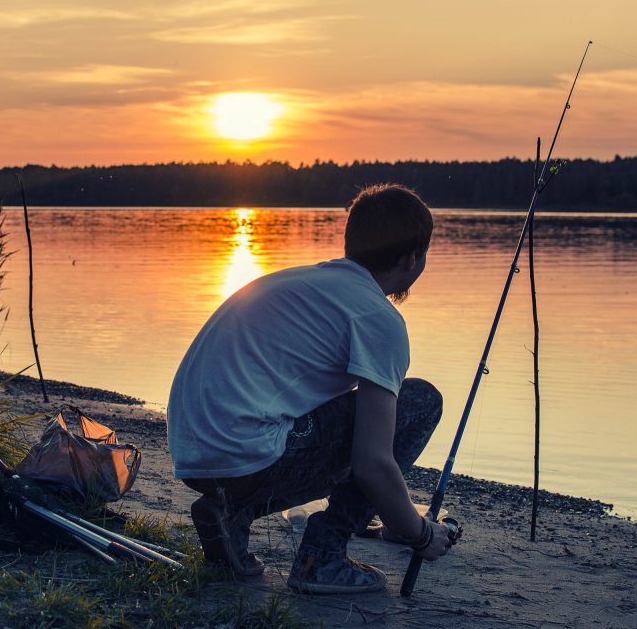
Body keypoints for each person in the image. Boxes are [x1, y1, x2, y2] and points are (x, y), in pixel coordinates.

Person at [166, 184, 453, 594]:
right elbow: (372, 463)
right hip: (243, 458)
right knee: (420, 402)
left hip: (194, 457)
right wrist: (421, 534)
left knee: (336, 407)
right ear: (413, 258)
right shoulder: (380, 318)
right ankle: (324, 556)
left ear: (351, 243)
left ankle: (232, 514)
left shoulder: (297, 282)